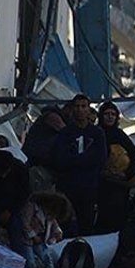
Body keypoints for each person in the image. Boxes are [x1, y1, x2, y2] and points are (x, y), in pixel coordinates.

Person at [54, 95, 108, 236]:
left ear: (88, 109)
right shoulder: (65, 133)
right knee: (65, 222)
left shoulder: (97, 133)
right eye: (77, 106)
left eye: (83, 106)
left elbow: (100, 157)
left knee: (86, 223)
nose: (80, 110)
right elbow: (60, 158)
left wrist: (79, 161)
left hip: (88, 186)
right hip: (68, 185)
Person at [96, 101, 135, 234]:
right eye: (106, 114)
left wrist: (126, 174)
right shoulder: (95, 133)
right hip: (99, 184)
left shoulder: (119, 135)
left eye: (113, 114)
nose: (110, 117)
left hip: (118, 184)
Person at [19, 195, 63, 268]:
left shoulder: (49, 214)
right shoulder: (32, 207)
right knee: (30, 263)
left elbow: (55, 226)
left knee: (47, 259)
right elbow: (25, 222)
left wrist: (57, 233)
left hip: (40, 241)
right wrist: (33, 235)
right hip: (28, 240)